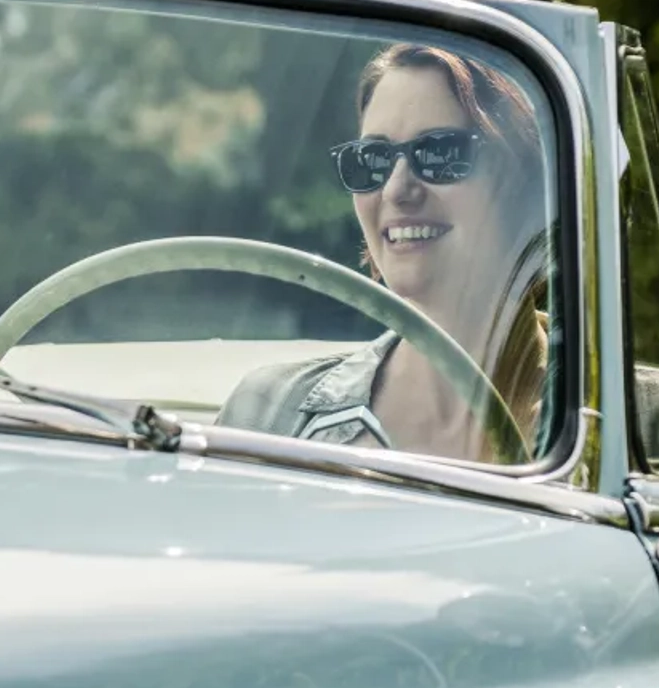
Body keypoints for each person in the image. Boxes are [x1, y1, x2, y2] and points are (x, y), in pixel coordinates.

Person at [216, 43, 551, 463]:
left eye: (441, 153)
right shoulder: (266, 413)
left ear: (519, 176)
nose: (396, 189)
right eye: (372, 159)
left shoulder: (637, 426)